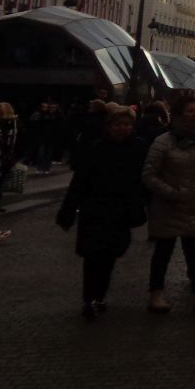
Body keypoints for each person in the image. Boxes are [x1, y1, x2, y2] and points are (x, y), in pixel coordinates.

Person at [57, 105, 147, 320]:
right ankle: (89, 298)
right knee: (93, 255)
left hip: (121, 211)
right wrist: (68, 210)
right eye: (118, 124)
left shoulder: (138, 148)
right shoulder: (96, 148)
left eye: (126, 124)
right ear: (109, 127)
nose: (122, 128)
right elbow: (79, 182)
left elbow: (142, 181)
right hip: (95, 210)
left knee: (110, 255)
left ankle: (99, 295)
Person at [141, 96, 195, 314]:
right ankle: (156, 294)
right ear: (177, 115)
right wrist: (171, 193)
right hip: (169, 206)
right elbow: (149, 175)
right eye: (190, 111)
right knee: (163, 251)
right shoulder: (163, 142)